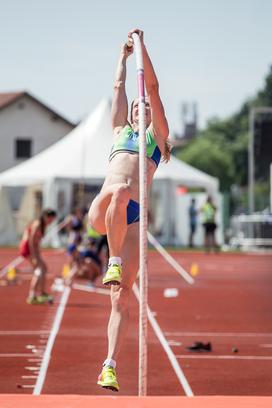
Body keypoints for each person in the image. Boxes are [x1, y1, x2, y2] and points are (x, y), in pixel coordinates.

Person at [88, 28, 170, 392]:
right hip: (105, 205)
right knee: (120, 189)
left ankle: (109, 365)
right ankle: (113, 260)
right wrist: (123, 56)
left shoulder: (155, 137)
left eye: (145, 107)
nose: (141, 106)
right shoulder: (119, 130)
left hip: (134, 219)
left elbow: (151, 88)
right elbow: (120, 89)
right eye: (137, 106)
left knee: (120, 299)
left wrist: (143, 49)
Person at [19, 209, 57, 304]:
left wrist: (38, 253)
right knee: (39, 270)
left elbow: (37, 242)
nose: (50, 222)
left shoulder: (43, 225)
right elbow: (31, 241)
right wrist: (35, 256)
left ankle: (41, 292)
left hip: (33, 249)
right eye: (50, 219)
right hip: (28, 249)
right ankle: (32, 296)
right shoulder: (37, 224)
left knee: (44, 268)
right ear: (45, 216)